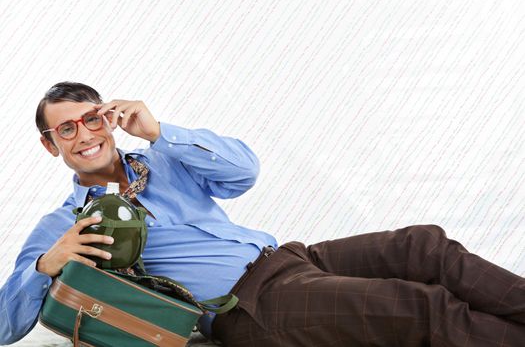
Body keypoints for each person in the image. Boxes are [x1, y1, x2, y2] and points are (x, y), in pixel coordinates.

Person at [0, 82, 523, 347]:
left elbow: (243, 173)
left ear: (107, 120)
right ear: (51, 146)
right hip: (246, 306)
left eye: (90, 119)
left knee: (423, 245)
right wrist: (47, 264)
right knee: (420, 307)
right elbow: (5, 325)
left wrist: (161, 132)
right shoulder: (66, 222)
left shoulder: (161, 158)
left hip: (288, 258)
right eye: (65, 129)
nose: (84, 134)